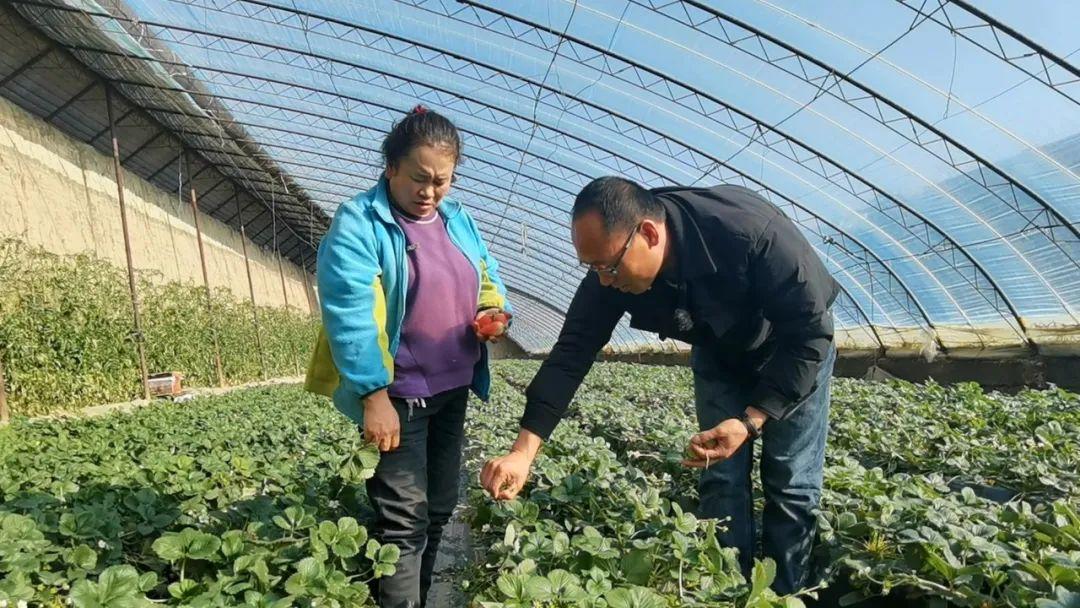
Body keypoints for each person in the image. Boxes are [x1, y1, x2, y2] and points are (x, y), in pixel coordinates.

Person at [480, 176, 839, 594]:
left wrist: (752, 419)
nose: (604, 280)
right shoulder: (609, 271)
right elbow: (571, 353)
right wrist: (523, 452)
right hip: (720, 353)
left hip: (791, 347)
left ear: (648, 234)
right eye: (592, 268)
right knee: (720, 477)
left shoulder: (752, 233)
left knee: (791, 483)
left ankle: (784, 596)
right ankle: (726, 594)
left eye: (608, 267)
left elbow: (811, 332)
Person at [306, 106, 512, 608]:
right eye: (420, 178)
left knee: (439, 507)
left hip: (452, 387)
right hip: (399, 396)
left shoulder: (457, 220)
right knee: (403, 520)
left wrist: (493, 309)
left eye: (442, 181)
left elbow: (486, 274)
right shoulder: (361, 222)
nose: (430, 192)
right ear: (391, 167)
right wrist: (373, 393)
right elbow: (349, 310)